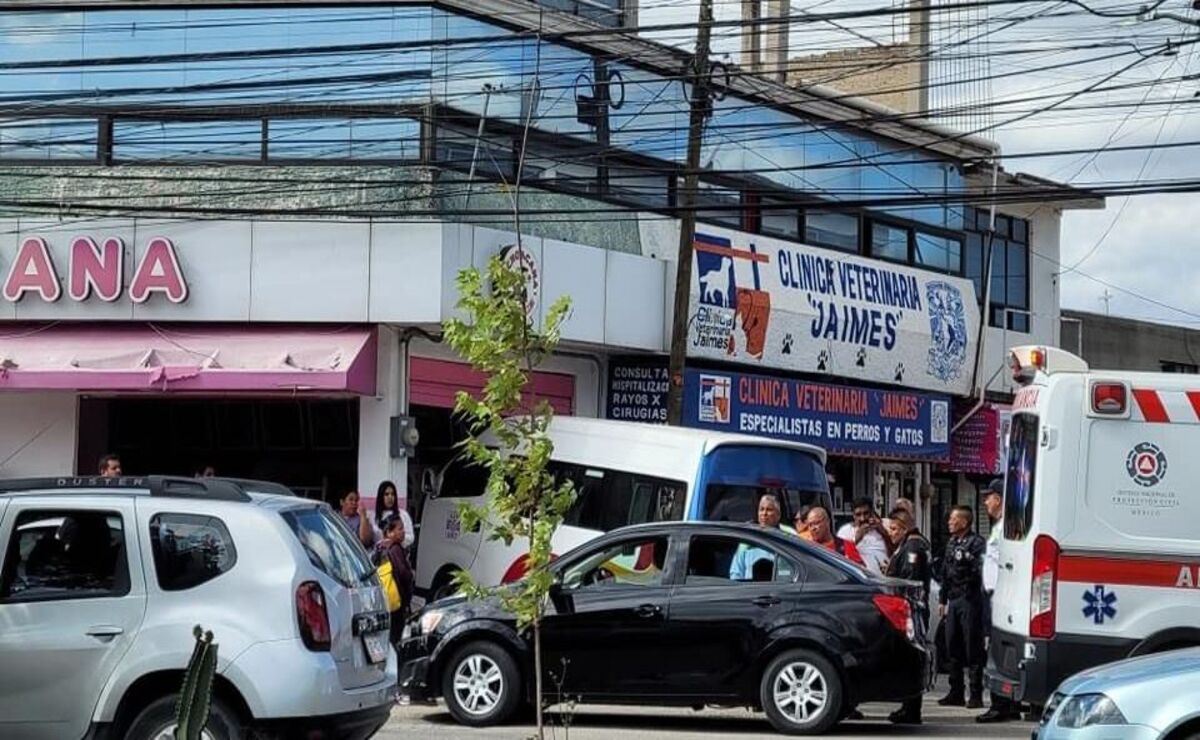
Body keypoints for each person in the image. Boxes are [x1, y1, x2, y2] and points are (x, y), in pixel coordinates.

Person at [977, 479, 1022, 723]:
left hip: (1002, 595)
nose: (986, 502)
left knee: (996, 650)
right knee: (997, 649)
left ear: (1000, 499)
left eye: (989, 497)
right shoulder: (1000, 526)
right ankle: (1006, 703)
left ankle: (1001, 704)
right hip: (995, 595)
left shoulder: (1008, 526)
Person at [884, 507, 933, 725]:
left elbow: (911, 579)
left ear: (904, 529)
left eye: (895, 529)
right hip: (908, 608)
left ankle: (912, 709)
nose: (891, 533)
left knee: (911, 656)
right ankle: (907, 706)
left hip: (911, 609)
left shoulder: (913, 546)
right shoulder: (906, 545)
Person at [938, 505, 988, 710]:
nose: (950, 522)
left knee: (972, 647)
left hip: (970, 599)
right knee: (952, 645)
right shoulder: (951, 542)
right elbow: (945, 572)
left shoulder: (977, 543)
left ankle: (975, 694)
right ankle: (956, 691)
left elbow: (982, 570)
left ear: (964, 522)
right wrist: (942, 600)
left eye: (954, 519)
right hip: (954, 599)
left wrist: (968, 557)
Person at [374, 514, 415, 644]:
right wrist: (411, 575)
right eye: (400, 529)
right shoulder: (396, 549)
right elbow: (403, 574)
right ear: (389, 532)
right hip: (397, 602)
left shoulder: (380, 549)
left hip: (385, 600)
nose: (403, 531)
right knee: (396, 637)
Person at [729, 494, 790, 580]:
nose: (764, 513)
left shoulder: (787, 535)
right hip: (752, 587)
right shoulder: (748, 538)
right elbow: (736, 572)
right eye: (761, 509)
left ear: (778, 515)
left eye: (769, 510)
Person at [836, 497, 890, 574]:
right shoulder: (845, 531)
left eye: (866, 513)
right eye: (858, 515)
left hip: (883, 577)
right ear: (853, 515)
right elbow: (840, 557)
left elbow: (894, 549)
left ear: (871, 513)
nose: (862, 518)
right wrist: (857, 537)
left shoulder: (882, 527)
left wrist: (882, 531)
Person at [374, 480, 415, 550]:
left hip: (397, 552)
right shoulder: (374, 517)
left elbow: (411, 538)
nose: (390, 497)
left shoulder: (403, 514)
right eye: (386, 494)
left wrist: (396, 539)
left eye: (393, 494)